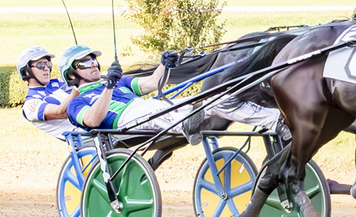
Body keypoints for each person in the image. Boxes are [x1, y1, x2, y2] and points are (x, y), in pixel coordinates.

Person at [61, 45, 288, 144]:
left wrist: (165, 64)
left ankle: (277, 122)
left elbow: (152, 83)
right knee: (158, 107)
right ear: (72, 73)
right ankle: (188, 123)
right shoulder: (77, 102)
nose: (93, 64)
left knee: (220, 98)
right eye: (84, 62)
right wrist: (109, 86)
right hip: (127, 121)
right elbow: (92, 120)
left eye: (93, 60)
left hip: (148, 109)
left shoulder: (119, 83)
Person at [17, 46, 82, 140]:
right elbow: (61, 113)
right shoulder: (31, 103)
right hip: (86, 139)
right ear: (26, 72)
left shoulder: (58, 82)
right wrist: (79, 86)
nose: (46, 68)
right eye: (40, 65)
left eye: (48, 64)